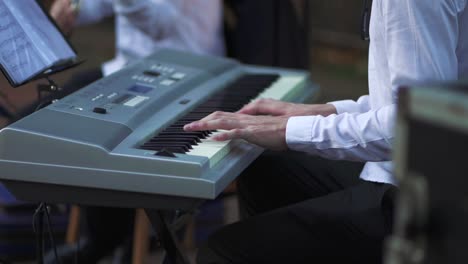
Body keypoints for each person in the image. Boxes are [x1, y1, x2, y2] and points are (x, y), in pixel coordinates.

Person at [184, 0, 468, 263]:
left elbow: (416, 128)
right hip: (430, 175)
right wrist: (322, 111)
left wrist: (288, 130)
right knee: (266, 167)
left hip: (425, 202)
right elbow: (428, 97)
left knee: (220, 251)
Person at [45, 0, 224, 263]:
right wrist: (75, 9)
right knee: (42, 115)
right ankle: (105, 233)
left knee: (98, 132)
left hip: (185, 74)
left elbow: (159, 23)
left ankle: (107, 239)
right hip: (130, 69)